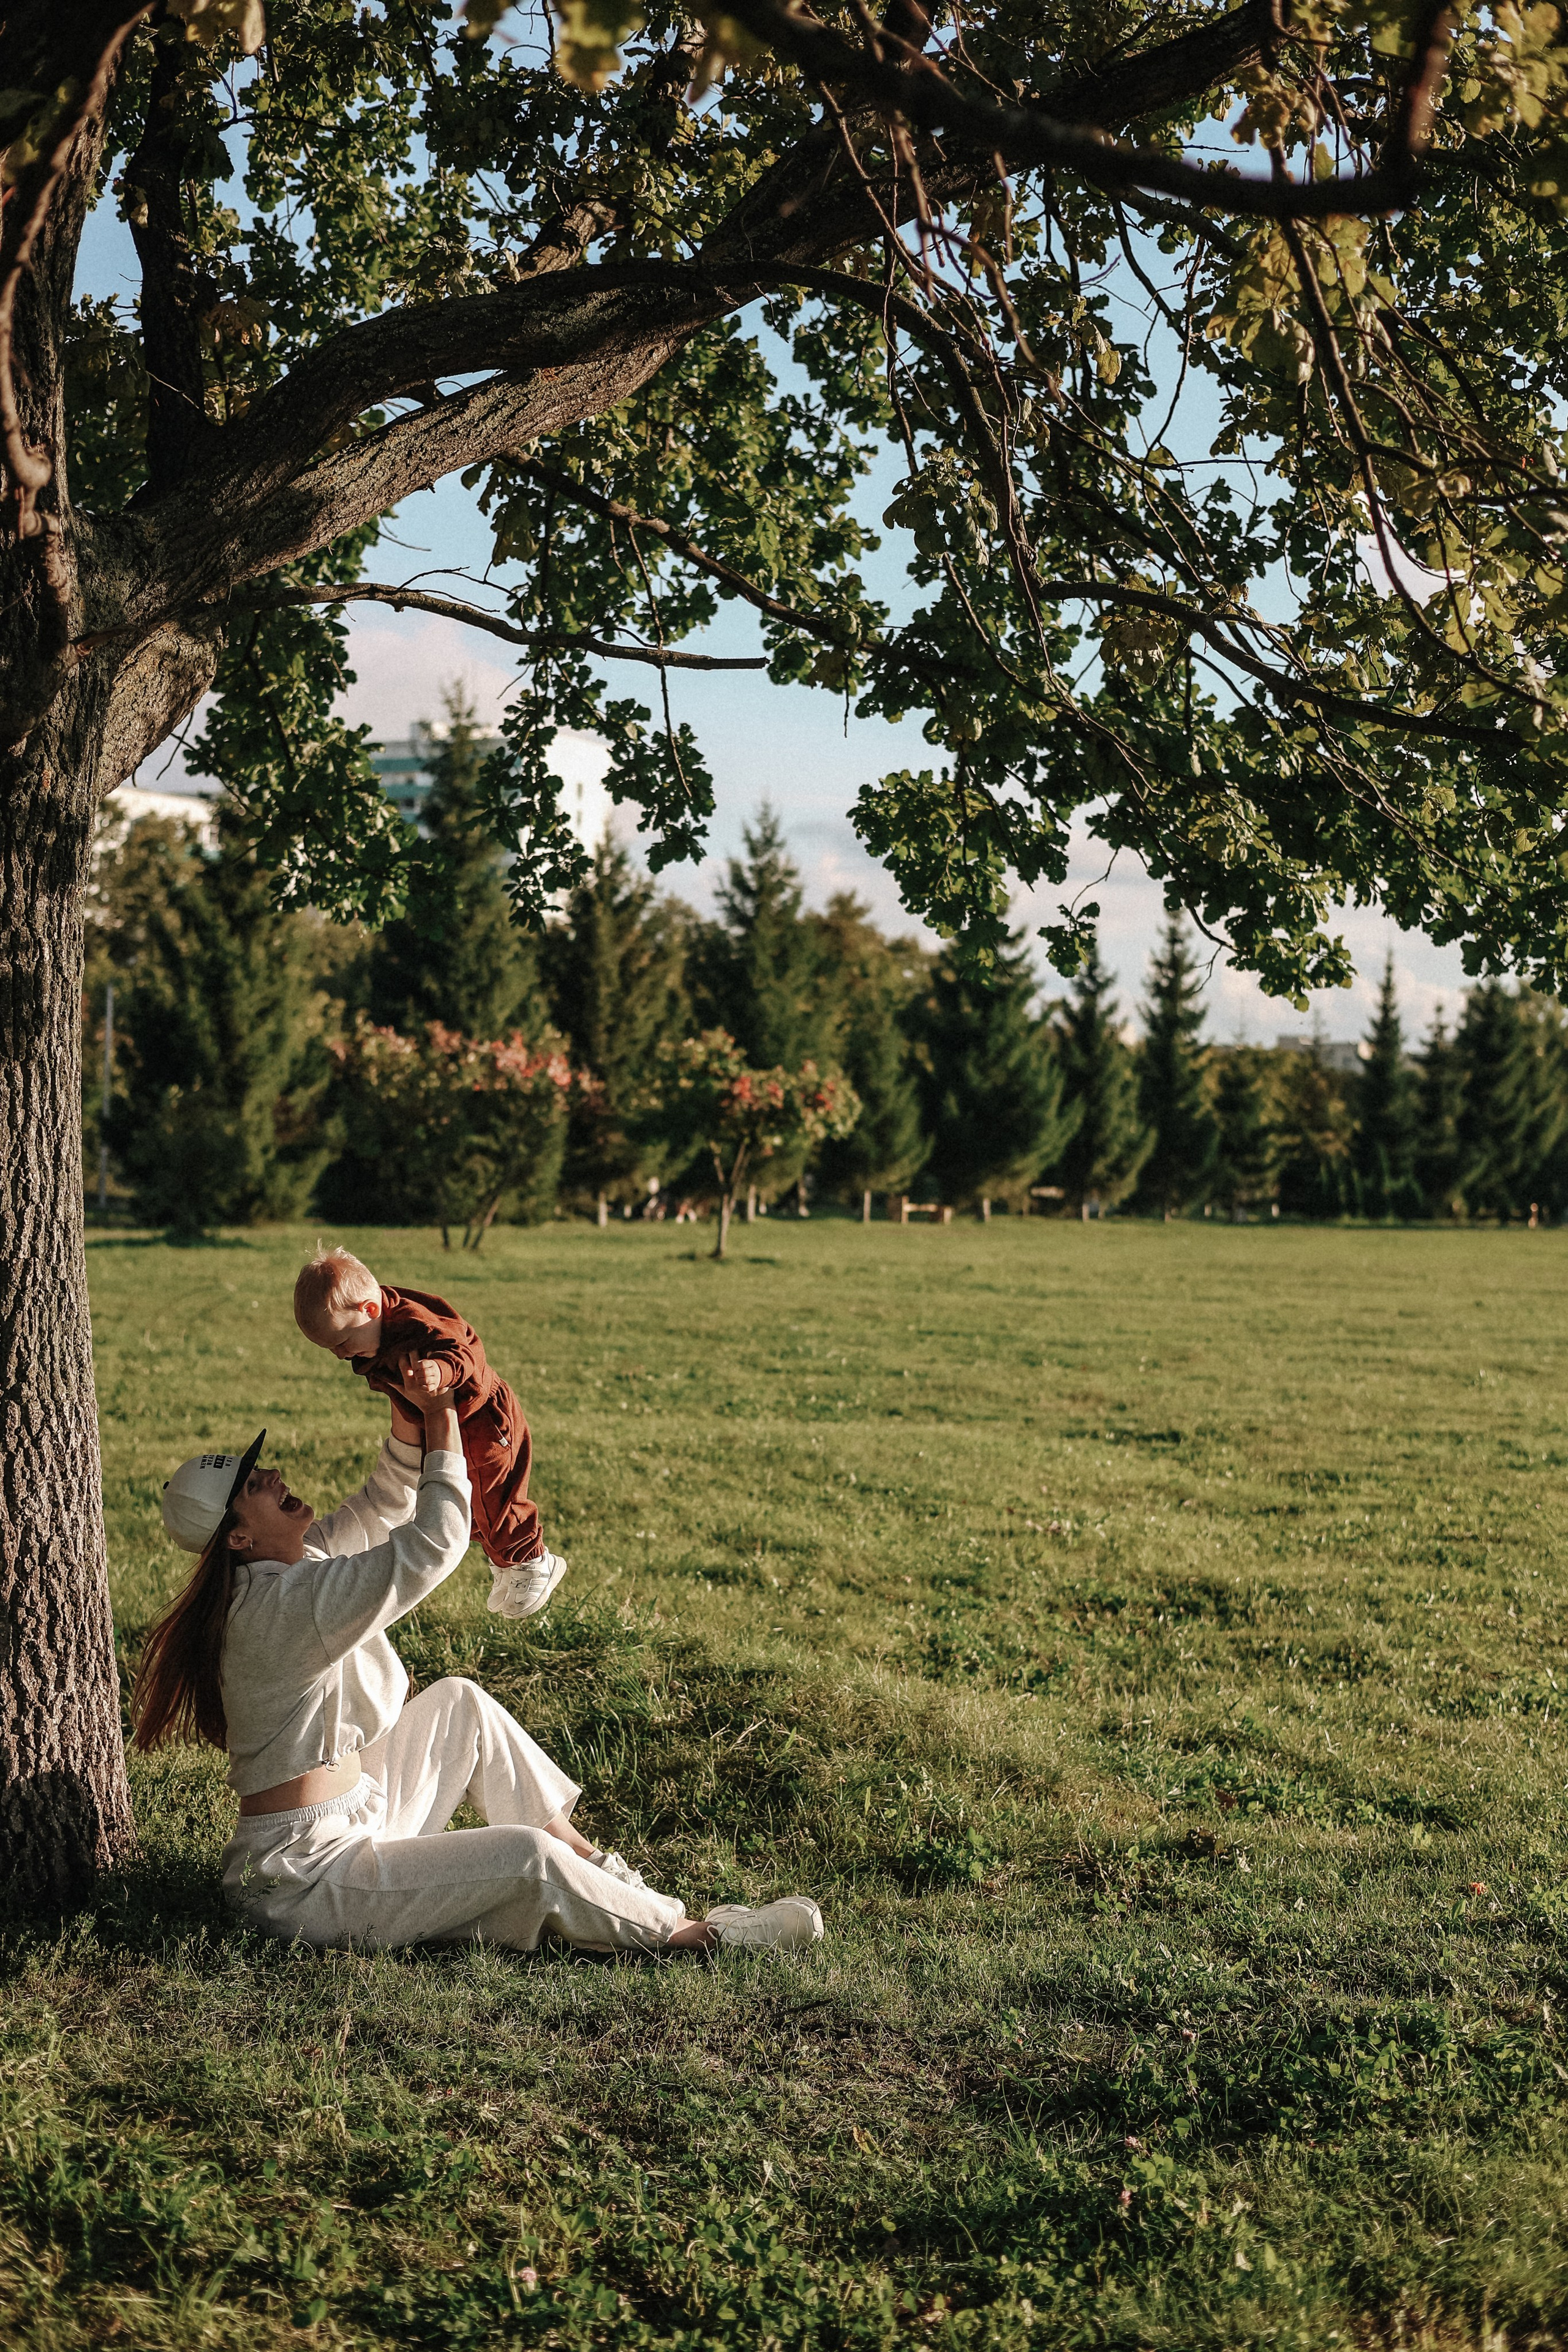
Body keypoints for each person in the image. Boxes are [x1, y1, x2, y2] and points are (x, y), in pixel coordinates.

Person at [130, 1377, 824, 1959]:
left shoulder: (289, 1567)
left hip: (357, 1816)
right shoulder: (281, 1608)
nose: (275, 1474)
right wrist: (441, 1424)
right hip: (310, 1878)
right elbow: (430, 1545)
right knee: (525, 1858)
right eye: (255, 1483)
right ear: (240, 1537)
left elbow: (383, 1505)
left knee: (460, 1705)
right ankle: (696, 1937)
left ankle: (607, 1878)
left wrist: (407, 1401)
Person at [292, 1243, 560, 1621]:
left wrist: (441, 1371)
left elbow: (464, 1349)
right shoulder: (370, 1334)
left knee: (495, 1502)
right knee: (465, 1506)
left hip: (482, 1420)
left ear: (369, 1310)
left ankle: (531, 1561)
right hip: (450, 1426)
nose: (339, 1354)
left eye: (342, 1342)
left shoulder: (416, 1323)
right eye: (330, 1349)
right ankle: (504, 1563)